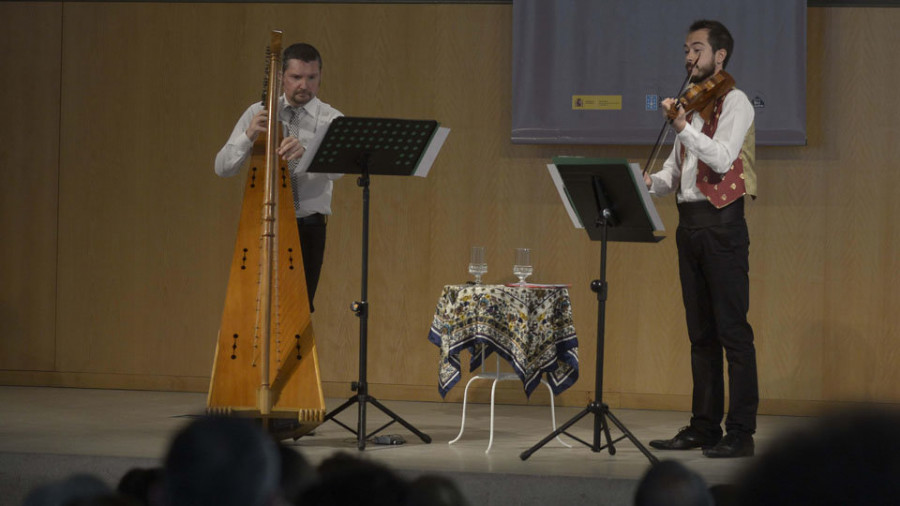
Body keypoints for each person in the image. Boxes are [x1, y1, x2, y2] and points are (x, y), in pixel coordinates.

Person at [644, 20, 758, 459]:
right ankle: (704, 426)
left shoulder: (736, 102)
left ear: (719, 56)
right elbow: (675, 176)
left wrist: (681, 125)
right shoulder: (691, 109)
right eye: (687, 50)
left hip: (723, 226)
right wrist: (648, 182)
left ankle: (741, 431)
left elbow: (723, 156)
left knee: (733, 332)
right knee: (700, 334)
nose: (689, 57)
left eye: (697, 49)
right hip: (689, 224)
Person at [215, 42, 343, 312]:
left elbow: (338, 170)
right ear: (281, 77)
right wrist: (248, 135)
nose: (304, 86)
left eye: (312, 78)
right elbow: (222, 168)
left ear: (320, 77)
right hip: (262, 224)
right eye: (296, 77)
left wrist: (306, 153)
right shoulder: (257, 112)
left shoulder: (331, 119)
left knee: (296, 313)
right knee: (254, 309)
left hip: (307, 227)